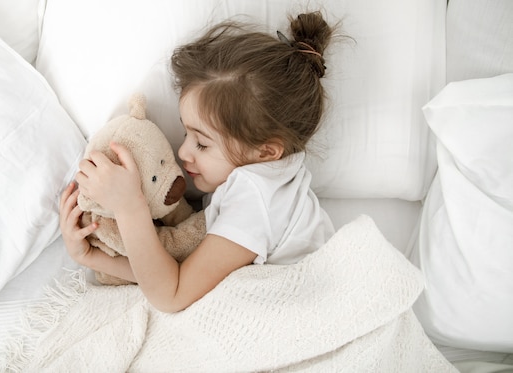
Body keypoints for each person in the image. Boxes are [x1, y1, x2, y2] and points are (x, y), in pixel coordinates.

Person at [59, 11, 336, 313]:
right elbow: (179, 273)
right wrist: (91, 257)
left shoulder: (255, 198)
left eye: (202, 143)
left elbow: (171, 295)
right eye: (186, 133)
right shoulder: (271, 181)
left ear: (266, 151)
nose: (183, 152)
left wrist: (130, 207)